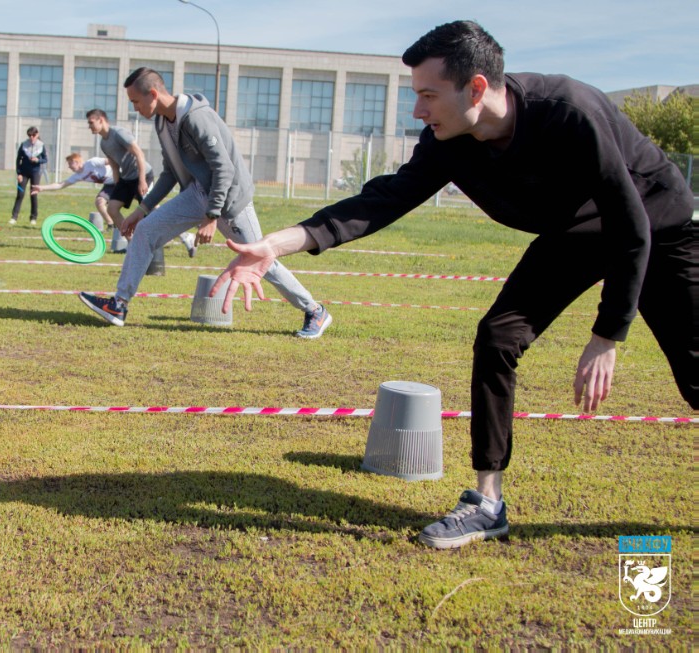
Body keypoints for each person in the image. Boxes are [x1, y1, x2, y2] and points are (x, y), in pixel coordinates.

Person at [212, 20, 696, 550]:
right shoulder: (449, 141)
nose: (417, 111)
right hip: (574, 233)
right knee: (497, 338)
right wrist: (276, 245)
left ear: (477, 88)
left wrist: (606, 336)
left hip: (659, 227)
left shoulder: (569, 112)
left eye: (428, 95)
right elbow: (382, 200)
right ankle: (488, 504)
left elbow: (631, 226)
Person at [78, 68, 331, 338]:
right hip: (197, 193)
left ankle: (315, 310)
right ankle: (119, 305)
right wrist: (142, 209)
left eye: (135, 102)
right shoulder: (162, 122)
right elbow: (170, 172)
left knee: (259, 258)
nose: (135, 109)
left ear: (153, 94)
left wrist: (212, 215)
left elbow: (224, 169)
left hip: (229, 198)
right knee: (145, 231)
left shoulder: (196, 117)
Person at [85, 107, 196, 256]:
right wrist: (117, 186)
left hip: (142, 175)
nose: (89, 126)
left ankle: (186, 236)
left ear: (101, 120)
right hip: (126, 178)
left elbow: (139, 153)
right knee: (112, 209)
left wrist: (142, 180)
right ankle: (134, 244)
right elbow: (114, 166)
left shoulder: (118, 133)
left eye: (91, 122)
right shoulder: (103, 144)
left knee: (153, 211)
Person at [32, 152, 117, 229]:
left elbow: (113, 161)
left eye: (70, 163)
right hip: (110, 185)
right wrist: (42, 188)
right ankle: (111, 225)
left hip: (122, 180)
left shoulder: (92, 162)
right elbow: (61, 184)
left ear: (76, 162)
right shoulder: (78, 176)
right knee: (99, 202)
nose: (69, 167)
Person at [9, 126, 47, 226]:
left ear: (37, 135)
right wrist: (19, 173)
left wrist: (38, 160)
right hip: (23, 173)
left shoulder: (41, 145)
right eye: (29, 135)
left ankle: (33, 218)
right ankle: (14, 217)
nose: (31, 137)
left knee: (33, 194)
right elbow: (18, 159)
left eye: (33, 135)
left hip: (35, 173)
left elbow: (45, 159)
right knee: (20, 194)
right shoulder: (24, 145)